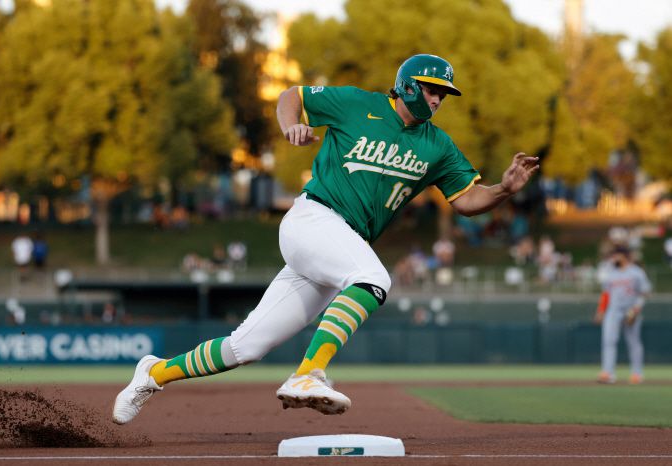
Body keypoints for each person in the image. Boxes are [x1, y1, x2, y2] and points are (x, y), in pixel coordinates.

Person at [112, 53, 540, 424]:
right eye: (431, 89)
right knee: (373, 279)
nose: (437, 99)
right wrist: (290, 126)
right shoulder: (358, 104)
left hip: (339, 245)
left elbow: (465, 200)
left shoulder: (438, 145)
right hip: (313, 219)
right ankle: (307, 373)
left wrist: (503, 190)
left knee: (244, 347)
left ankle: (153, 374)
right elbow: (291, 96)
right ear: (408, 84)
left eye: (443, 93)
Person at [593, 246, 652, 384]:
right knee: (608, 340)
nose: (613, 258)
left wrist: (636, 309)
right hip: (613, 310)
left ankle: (637, 374)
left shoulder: (637, 273)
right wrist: (601, 310)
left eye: (616, 255)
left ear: (625, 256)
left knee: (634, 342)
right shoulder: (610, 273)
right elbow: (606, 294)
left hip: (630, 310)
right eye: (613, 255)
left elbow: (645, 293)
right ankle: (608, 373)